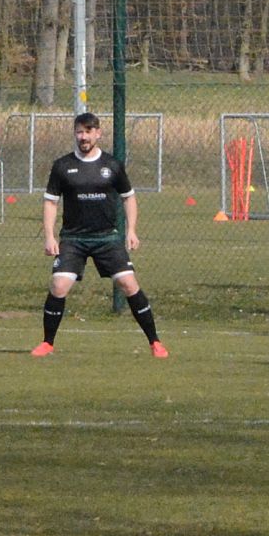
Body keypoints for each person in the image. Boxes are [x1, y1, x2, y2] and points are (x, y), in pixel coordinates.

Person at [36, 111, 166, 359]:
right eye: (79, 132)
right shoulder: (62, 166)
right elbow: (51, 202)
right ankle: (47, 343)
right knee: (58, 284)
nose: (83, 137)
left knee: (128, 284)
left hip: (107, 237)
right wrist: (50, 237)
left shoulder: (112, 165)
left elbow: (129, 197)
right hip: (73, 238)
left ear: (98, 133)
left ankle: (155, 342)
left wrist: (131, 231)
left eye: (87, 131)